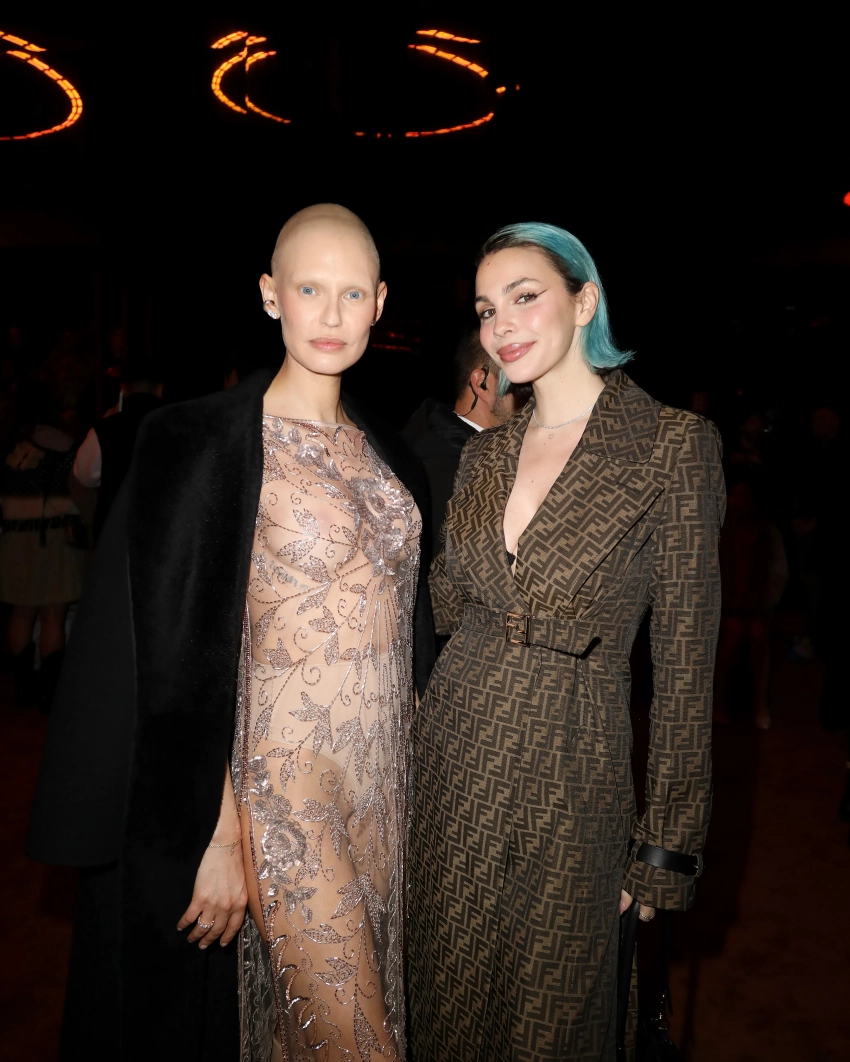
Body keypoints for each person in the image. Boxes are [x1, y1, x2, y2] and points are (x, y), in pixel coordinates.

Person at [27, 204, 434, 1062]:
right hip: (282, 801)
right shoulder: (200, 445)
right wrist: (219, 834)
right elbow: (170, 657)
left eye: (351, 292)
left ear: (379, 303)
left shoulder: (393, 455)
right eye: (309, 289)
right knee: (359, 1044)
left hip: (382, 797)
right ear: (270, 295)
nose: (330, 313)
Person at [407, 223, 725, 1061]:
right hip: (451, 761)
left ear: (585, 301)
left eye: (524, 296)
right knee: (445, 1008)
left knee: (554, 1026)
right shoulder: (485, 458)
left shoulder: (672, 447)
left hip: (574, 775)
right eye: (486, 308)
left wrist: (665, 848)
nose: (500, 324)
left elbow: (686, 669)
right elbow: (441, 605)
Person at [402, 330, 530, 563]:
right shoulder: (448, 475)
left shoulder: (436, 444)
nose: (533, 395)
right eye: (521, 384)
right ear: (482, 383)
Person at [0, 381, 89, 710]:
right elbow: (81, 489)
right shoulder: (65, 443)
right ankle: (49, 693)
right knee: (54, 614)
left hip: (13, 537)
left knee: (21, 613)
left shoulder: (7, 444)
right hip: (54, 537)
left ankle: (23, 689)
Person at [713, 481, 788, 728]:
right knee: (732, 635)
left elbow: (778, 572)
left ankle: (759, 703)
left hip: (757, 607)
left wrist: (766, 602)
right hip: (728, 606)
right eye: (734, 495)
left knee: (758, 635)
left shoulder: (767, 532)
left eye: (743, 497)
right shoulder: (722, 530)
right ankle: (718, 703)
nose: (736, 502)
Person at [73, 358, 162, 540]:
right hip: (161, 532)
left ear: (123, 389)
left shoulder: (105, 429)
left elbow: (84, 475)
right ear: (160, 389)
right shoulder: (178, 427)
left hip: (115, 535)